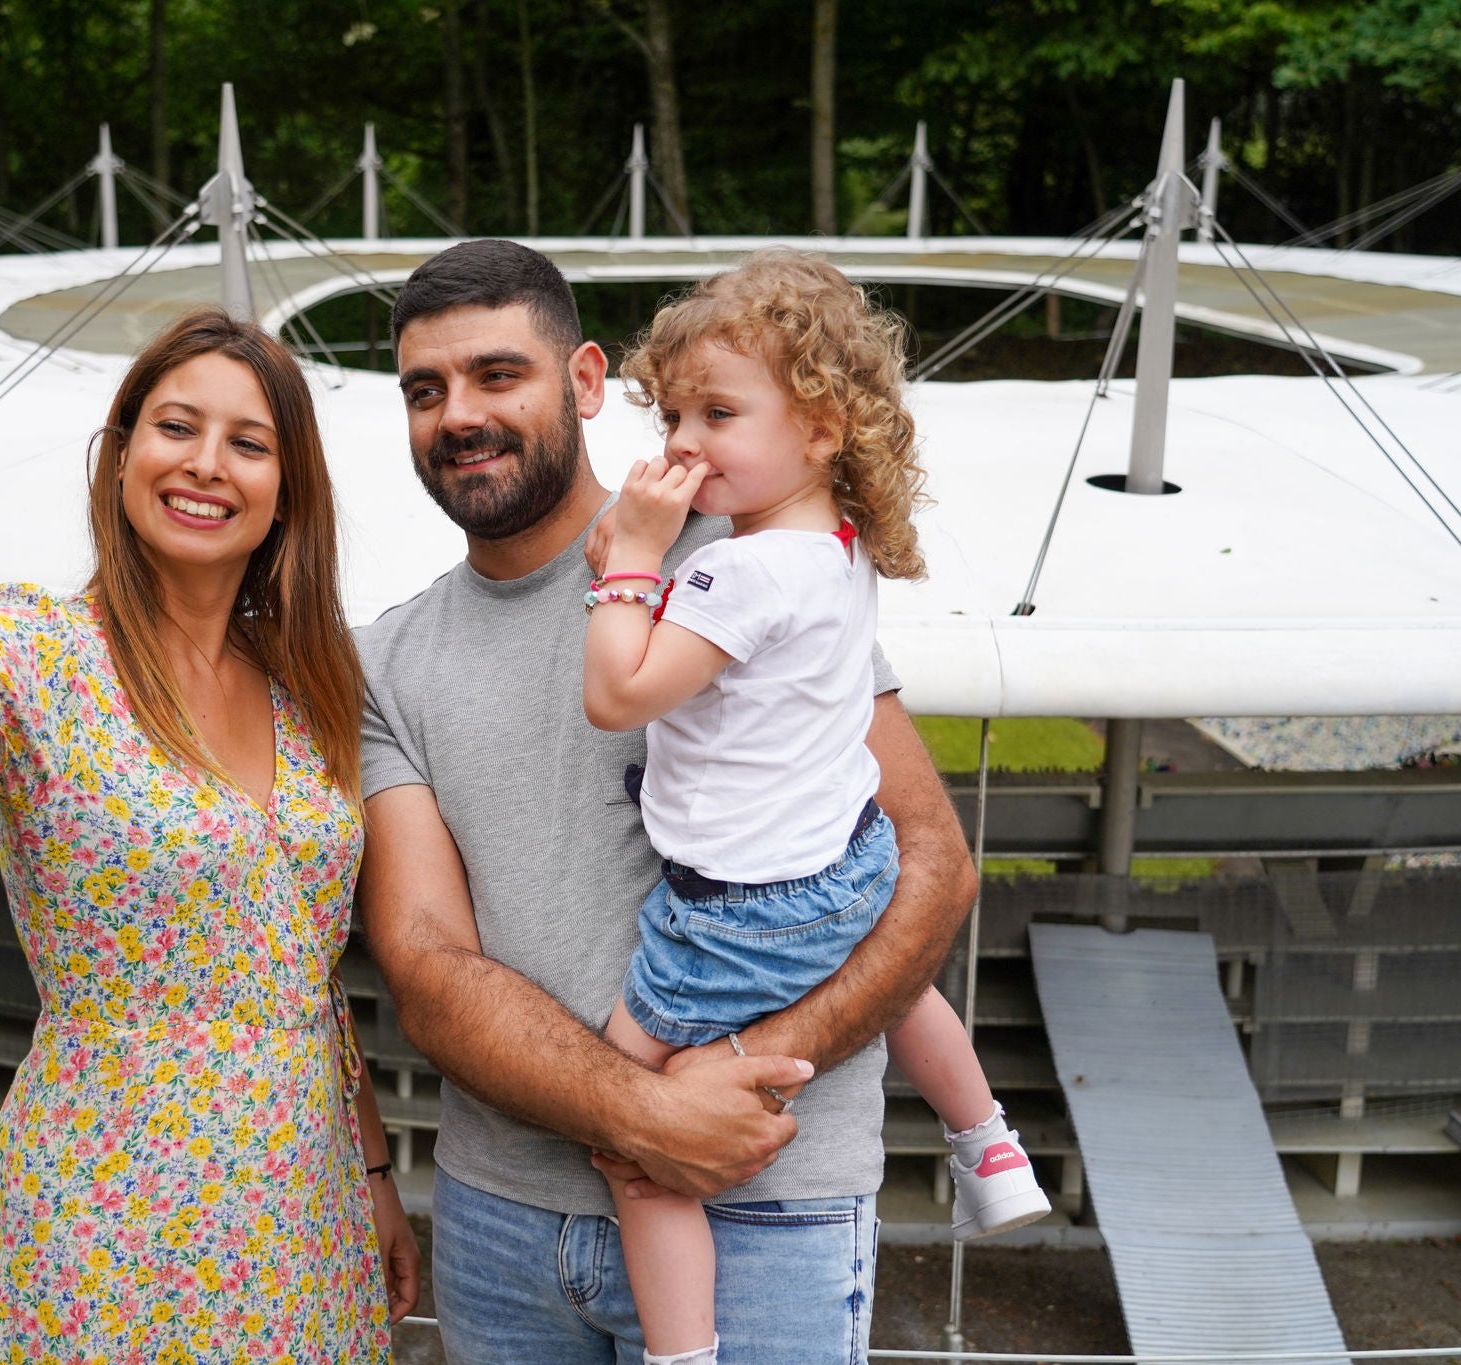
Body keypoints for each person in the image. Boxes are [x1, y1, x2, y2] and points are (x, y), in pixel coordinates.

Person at [0, 310, 418, 1363]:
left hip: (305, 1214)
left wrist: (371, 1175)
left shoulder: (301, 683)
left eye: (248, 441)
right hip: (113, 1219)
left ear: (286, 491)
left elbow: (302, 975)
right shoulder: (40, 651)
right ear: (123, 451)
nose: (204, 464)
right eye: (175, 427)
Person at [355, 238, 979, 1365]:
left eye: (499, 375)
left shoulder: (750, 556)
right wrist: (645, 1117)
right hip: (501, 1220)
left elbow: (929, 864)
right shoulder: (388, 663)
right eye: (423, 389)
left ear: (586, 383)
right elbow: (426, 964)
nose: (458, 415)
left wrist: (740, 1086)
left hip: (766, 1195)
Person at [581, 250, 1049, 1364]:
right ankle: (986, 1143)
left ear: (823, 428)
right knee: (890, 987)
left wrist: (631, 564)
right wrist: (649, 550)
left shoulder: (730, 574)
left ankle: (679, 1350)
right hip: (846, 860)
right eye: (675, 413)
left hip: (734, 910)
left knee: (624, 1128)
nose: (684, 440)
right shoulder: (832, 553)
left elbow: (617, 692)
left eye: (719, 413)